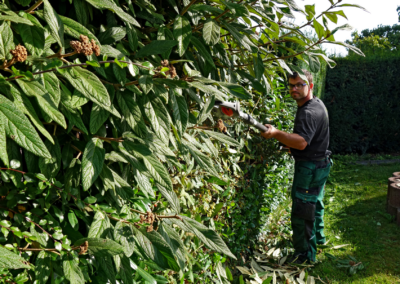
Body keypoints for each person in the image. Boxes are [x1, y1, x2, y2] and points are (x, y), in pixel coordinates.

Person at [261, 70, 332, 263]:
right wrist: (287, 143)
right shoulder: (316, 103)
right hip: (320, 163)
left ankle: (306, 256)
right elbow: (308, 139)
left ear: (309, 85)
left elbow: (301, 142)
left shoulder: (308, 112)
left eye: (299, 84)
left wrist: (275, 133)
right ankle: (319, 238)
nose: (294, 89)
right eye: (291, 85)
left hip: (309, 169)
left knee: (303, 210)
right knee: (315, 204)